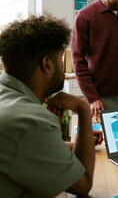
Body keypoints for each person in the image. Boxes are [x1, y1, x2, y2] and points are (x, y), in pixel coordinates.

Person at [0, 14, 99, 197]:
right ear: (47, 64)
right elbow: (83, 186)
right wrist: (84, 109)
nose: (62, 67)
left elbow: (25, 149)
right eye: (61, 61)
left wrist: (68, 145)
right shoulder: (31, 121)